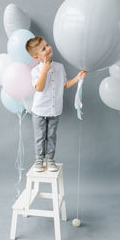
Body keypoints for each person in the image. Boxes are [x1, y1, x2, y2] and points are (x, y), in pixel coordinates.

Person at [26, 36, 87, 172]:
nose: (48, 48)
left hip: (55, 110)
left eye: (47, 45)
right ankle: (39, 159)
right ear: (37, 57)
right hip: (39, 111)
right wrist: (45, 71)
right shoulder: (35, 71)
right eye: (43, 49)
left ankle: (50, 159)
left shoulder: (59, 67)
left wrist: (77, 78)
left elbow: (63, 86)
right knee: (40, 136)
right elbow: (39, 88)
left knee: (51, 135)